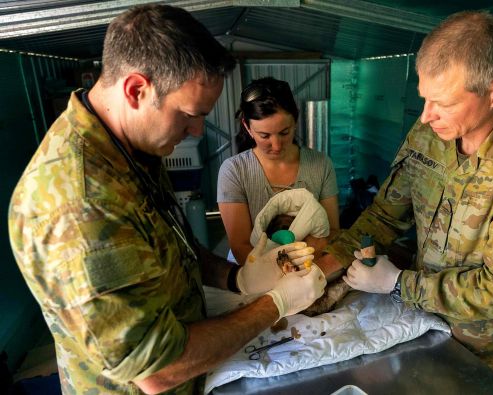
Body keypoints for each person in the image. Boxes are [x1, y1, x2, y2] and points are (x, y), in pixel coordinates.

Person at [8, 5, 325, 395]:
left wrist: (235, 277)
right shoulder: (81, 206)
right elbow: (156, 369)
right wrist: (274, 304)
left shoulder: (130, 148)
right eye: (190, 115)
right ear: (136, 90)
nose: (195, 130)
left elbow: (173, 244)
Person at [317, 10, 493, 381]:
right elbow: (384, 216)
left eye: (442, 102)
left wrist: (397, 284)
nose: (426, 116)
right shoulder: (432, 131)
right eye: (424, 99)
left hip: (479, 355)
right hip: (416, 327)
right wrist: (323, 269)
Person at [217, 77, 340, 265]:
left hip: (308, 264)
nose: (276, 145)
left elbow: (331, 233)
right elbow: (241, 246)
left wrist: (306, 257)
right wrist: (281, 274)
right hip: (253, 267)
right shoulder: (234, 171)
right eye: (264, 135)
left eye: (284, 132)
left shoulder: (320, 165)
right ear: (247, 127)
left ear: (296, 120)